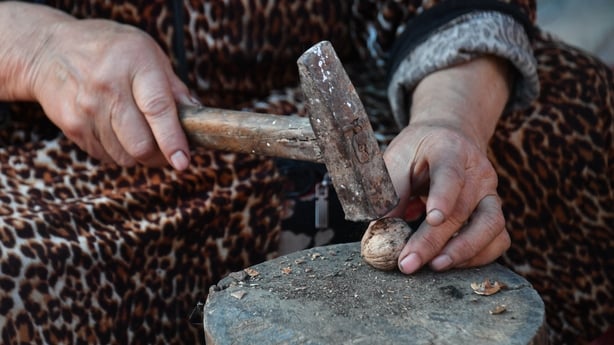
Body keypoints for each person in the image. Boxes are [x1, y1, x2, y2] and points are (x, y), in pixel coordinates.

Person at [0, 1, 611, 344]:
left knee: (585, 115)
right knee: (17, 282)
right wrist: (40, 49)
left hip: (373, 96)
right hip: (74, 143)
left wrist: (453, 120)